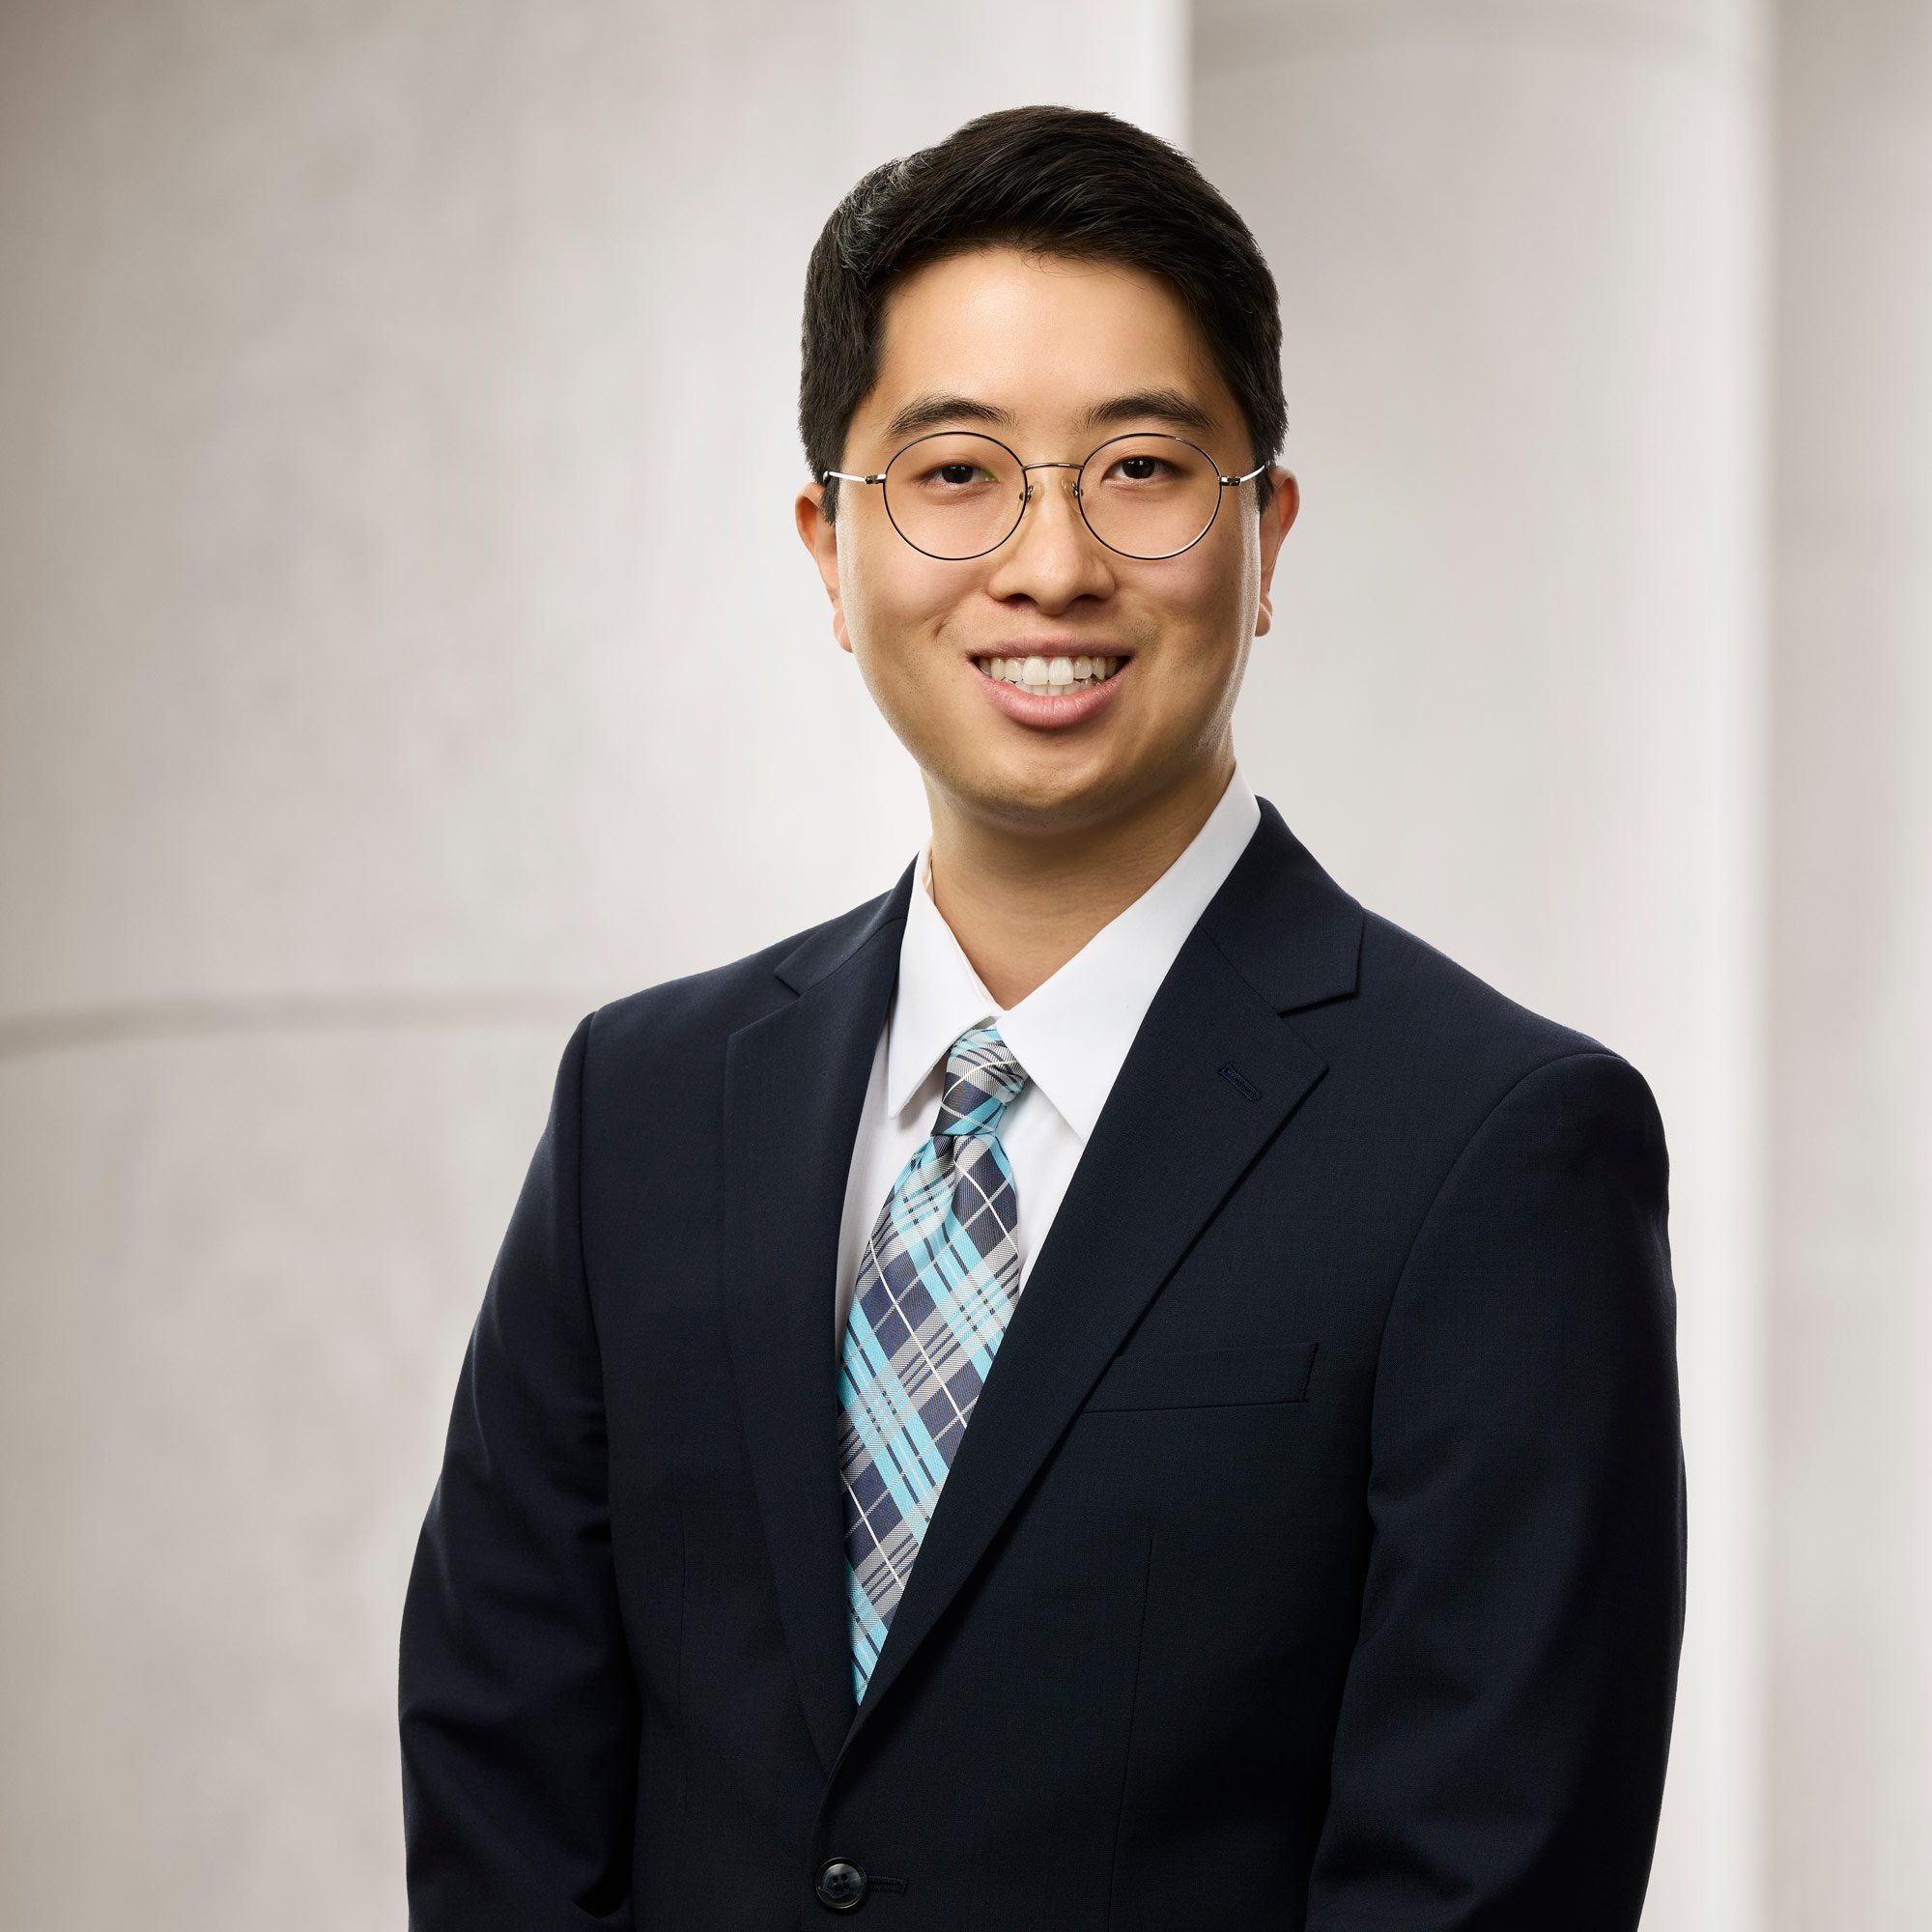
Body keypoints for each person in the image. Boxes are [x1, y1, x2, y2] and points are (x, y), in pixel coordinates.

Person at [398, 104, 1686, 1930]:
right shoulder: (646, 1108)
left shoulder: (1498, 1147)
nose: (1052, 564)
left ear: (1269, 535)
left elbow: (1484, 1876)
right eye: (953, 473)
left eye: (1144, 468)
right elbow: (500, 1778)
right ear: (828, 552)